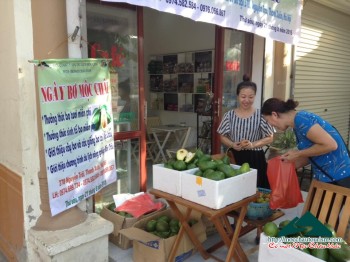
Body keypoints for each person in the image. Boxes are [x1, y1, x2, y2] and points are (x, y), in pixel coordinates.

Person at [261, 98, 350, 188]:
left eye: (268, 121)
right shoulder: (296, 125)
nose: (271, 126)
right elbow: (312, 153)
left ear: (274, 115)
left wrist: (298, 154)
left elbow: (330, 145)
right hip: (326, 177)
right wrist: (284, 165)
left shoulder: (301, 119)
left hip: (340, 179)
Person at [217, 74, 274, 189]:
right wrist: (232, 144)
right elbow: (222, 136)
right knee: (235, 188)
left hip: (256, 157)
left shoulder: (260, 115)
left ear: (255, 96)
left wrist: (253, 144)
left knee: (256, 188)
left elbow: (270, 137)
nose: (246, 100)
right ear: (237, 96)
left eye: (251, 97)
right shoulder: (229, 115)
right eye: (243, 96)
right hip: (234, 156)